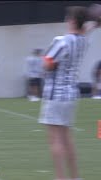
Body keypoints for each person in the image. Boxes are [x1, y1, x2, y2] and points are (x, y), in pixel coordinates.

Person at [38, 6, 100, 180]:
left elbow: (47, 63)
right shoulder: (82, 40)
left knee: (55, 140)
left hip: (56, 94)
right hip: (71, 94)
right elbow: (83, 32)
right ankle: (75, 176)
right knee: (67, 139)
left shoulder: (62, 41)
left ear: (72, 21)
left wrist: (48, 62)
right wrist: (94, 24)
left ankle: (61, 178)